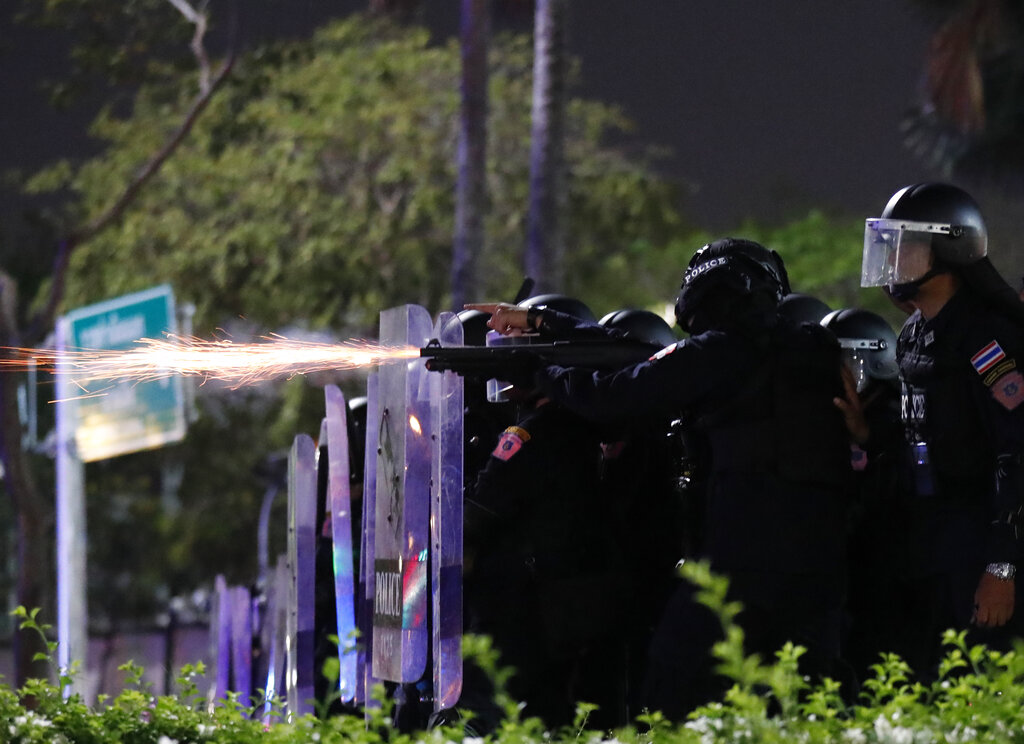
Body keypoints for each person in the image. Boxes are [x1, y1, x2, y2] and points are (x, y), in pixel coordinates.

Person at [469, 237, 854, 720]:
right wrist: (545, 324)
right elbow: (644, 357)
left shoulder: (719, 352)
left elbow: (615, 392)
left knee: (672, 685)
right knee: (808, 698)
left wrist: (540, 370)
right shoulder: (812, 349)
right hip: (818, 567)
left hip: (742, 565)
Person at [858, 182, 1024, 680]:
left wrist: (1002, 569)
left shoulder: (987, 337)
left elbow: (1015, 456)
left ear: (949, 247)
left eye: (906, 242)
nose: (892, 255)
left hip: (982, 538)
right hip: (934, 538)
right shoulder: (914, 331)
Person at [458, 294, 628, 732]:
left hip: (522, 609)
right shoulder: (584, 428)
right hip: (569, 609)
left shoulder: (532, 433)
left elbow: (482, 508)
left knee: (491, 715)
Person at [820, 307, 908, 687]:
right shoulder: (822, 424)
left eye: (846, 363)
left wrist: (867, 441)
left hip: (890, 586)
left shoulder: (898, 419)